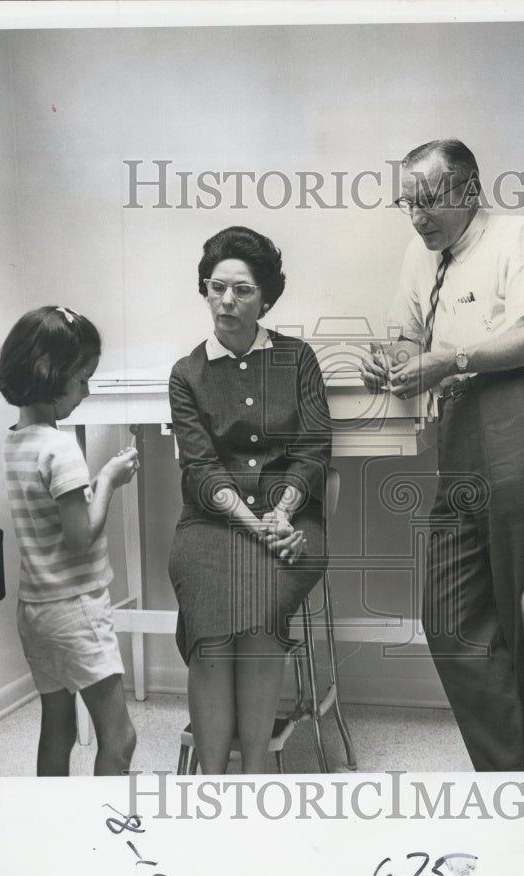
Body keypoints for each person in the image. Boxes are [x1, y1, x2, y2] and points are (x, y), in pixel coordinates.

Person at [361, 139, 524, 771]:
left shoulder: (519, 234)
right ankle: (520, 776)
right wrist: (393, 361)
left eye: (428, 200)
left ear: (468, 189)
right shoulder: (419, 254)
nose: (417, 216)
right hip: (459, 429)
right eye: (408, 203)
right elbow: (405, 335)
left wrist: (454, 359)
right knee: (451, 619)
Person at [168, 226, 332, 775]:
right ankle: (212, 782)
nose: (226, 302)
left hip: (292, 521)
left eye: (241, 290)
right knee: (211, 618)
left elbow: (313, 451)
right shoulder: (186, 373)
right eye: (216, 288)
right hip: (210, 525)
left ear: (265, 297)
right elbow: (200, 468)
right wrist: (249, 519)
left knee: (261, 611)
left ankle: (257, 772)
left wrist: (282, 512)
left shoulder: (298, 358)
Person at [0, 305, 139, 776]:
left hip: (35, 610)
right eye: (81, 380)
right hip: (76, 611)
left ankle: (48, 823)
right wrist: (109, 479)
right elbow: (80, 537)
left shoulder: (17, 440)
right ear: (52, 377)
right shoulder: (60, 448)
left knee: (58, 728)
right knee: (120, 737)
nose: (86, 391)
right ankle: (100, 834)